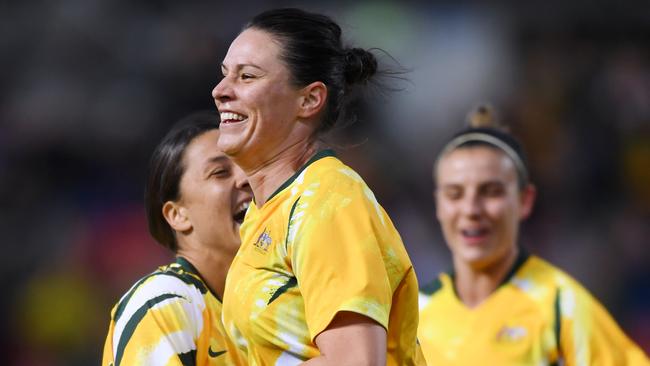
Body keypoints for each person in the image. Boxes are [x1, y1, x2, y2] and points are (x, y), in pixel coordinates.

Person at [211, 8, 425, 366]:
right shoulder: (264, 213)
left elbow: (354, 361)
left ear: (309, 99)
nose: (220, 91)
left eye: (247, 76)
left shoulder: (329, 200)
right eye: (224, 75)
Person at [418, 104, 650, 365]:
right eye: (454, 194)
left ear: (525, 200)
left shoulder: (562, 306)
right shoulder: (416, 311)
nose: (471, 209)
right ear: (438, 204)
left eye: (491, 191)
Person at [102, 111, 252, 366]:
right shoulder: (163, 303)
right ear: (178, 215)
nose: (246, 178)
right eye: (220, 172)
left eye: (250, 166)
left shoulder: (271, 303)